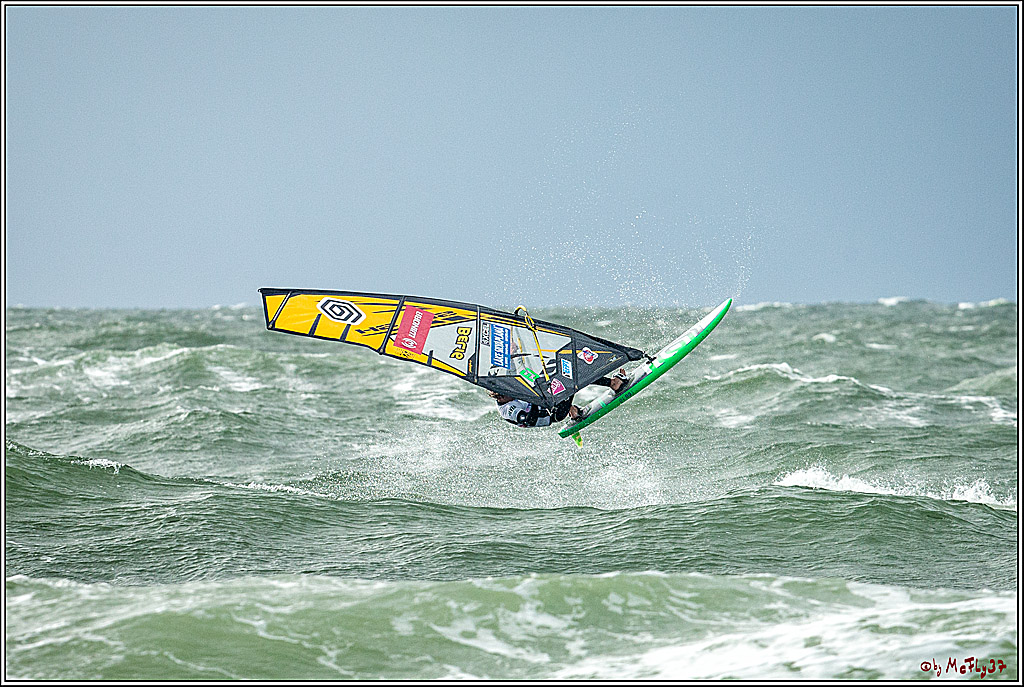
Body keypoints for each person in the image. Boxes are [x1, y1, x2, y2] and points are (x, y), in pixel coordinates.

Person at [489, 369, 629, 428]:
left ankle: (572, 410)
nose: (513, 392)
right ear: (500, 397)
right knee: (571, 377)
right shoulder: (508, 409)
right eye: (509, 393)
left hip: (551, 403)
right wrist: (533, 400)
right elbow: (528, 420)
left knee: (561, 372)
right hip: (554, 414)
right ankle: (613, 384)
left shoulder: (508, 394)